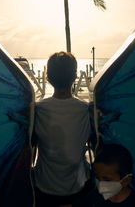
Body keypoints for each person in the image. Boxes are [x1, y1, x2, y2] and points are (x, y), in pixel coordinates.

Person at [33, 51, 93, 207]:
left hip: (44, 188)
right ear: (75, 77)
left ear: (48, 78)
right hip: (79, 188)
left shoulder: (37, 110)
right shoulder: (86, 110)